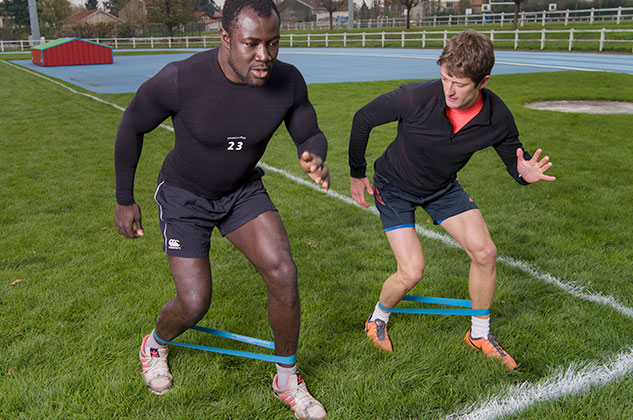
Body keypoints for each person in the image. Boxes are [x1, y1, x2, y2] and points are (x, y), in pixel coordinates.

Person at [113, 0, 328, 417]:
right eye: (251, 44)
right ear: (226, 38)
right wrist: (125, 198)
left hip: (241, 190)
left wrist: (313, 154)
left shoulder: (287, 81)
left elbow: (308, 127)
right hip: (185, 194)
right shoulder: (180, 79)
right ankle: (154, 345)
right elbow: (132, 126)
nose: (264, 56)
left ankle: (286, 379)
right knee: (194, 303)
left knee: (283, 272)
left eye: (273, 43)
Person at [348, 29, 555, 370]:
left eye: (459, 83)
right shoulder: (416, 97)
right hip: (394, 186)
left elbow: (515, 162)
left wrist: (524, 173)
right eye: (445, 78)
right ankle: (378, 318)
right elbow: (363, 119)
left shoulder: (497, 117)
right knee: (412, 270)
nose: (450, 90)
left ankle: (479, 334)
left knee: (486, 253)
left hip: (442, 188)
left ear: (483, 81)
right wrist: (357, 173)